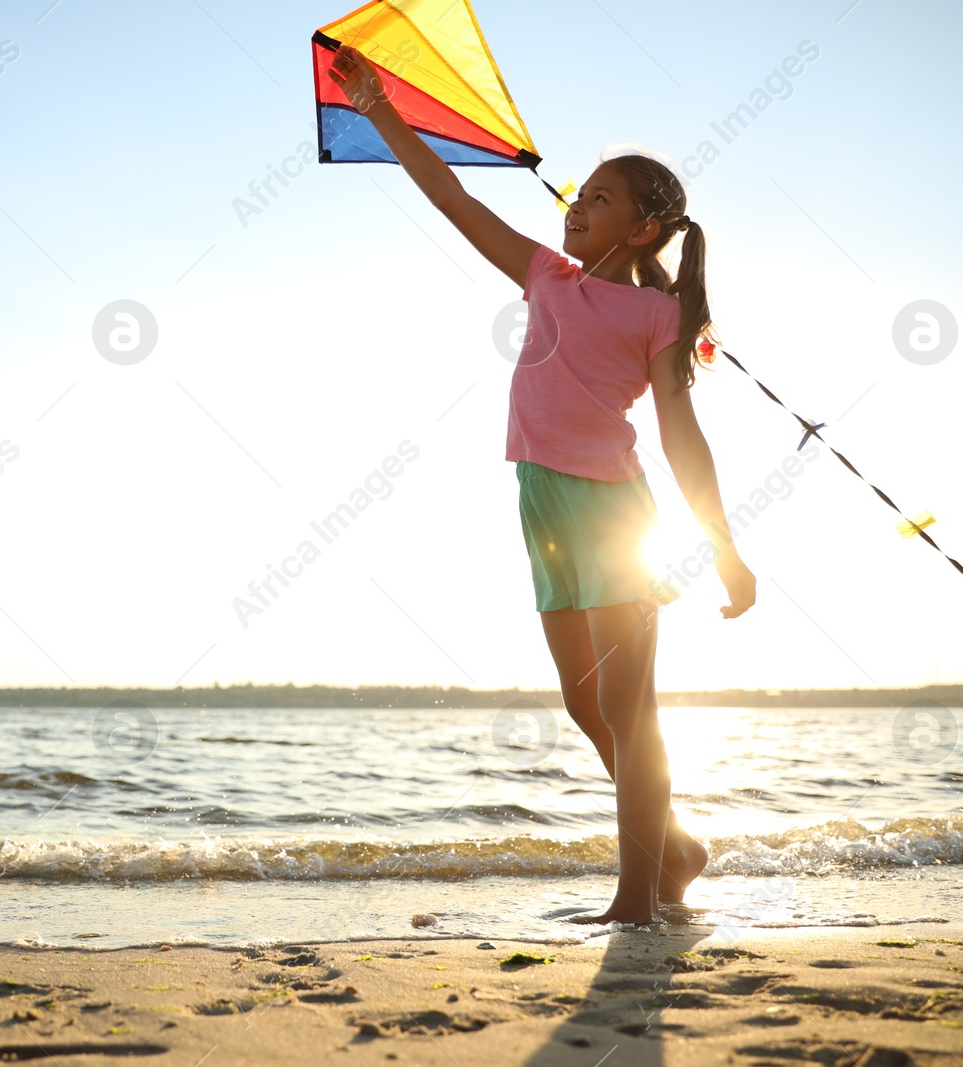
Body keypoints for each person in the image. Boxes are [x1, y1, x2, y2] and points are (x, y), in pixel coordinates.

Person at [328, 46, 757, 925]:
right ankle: (673, 846)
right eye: (580, 190)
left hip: (610, 511)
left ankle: (637, 896)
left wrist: (724, 546)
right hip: (541, 502)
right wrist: (378, 109)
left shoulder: (660, 313)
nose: (578, 203)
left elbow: (682, 433)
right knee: (581, 699)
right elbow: (453, 198)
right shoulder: (545, 274)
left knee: (628, 709)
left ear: (644, 229)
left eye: (601, 197)